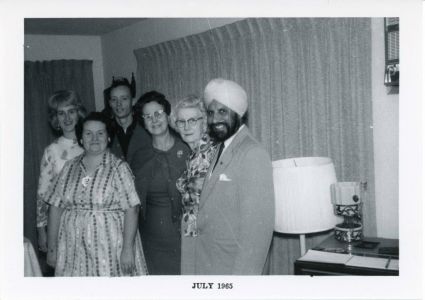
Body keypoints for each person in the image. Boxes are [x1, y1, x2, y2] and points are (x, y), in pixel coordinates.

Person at [187, 78, 275, 275]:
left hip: (234, 272)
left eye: (222, 112)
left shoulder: (252, 153)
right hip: (212, 266)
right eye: (210, 112)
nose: (215, 119)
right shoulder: (221, 147)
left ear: (239, 114)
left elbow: (257, 234)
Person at [45, 112, 148, 276]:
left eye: (100, 133)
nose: (94, 138)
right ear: (81, 138)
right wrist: (52, 247)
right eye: (88, 133)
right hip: (72, 249)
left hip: (110, 248)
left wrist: (128, 249)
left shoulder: (119, 168)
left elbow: (132, 209)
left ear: (108, 137)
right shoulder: (69, 168)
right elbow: (55, 208)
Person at [131, 91, 190, 275]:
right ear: (143, 122)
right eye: (147, 116)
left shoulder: (187, 149)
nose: (154, 120)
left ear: (167, 114)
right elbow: (132, 203)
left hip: (185, 241)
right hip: (151, 243)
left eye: (158, 113)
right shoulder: (139, 157)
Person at [36, 90, 86, 272]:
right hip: (63, 227)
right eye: (61, 113)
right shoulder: (52, 151)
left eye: (71, 111)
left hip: (92, 224)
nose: (67, 118)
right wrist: (42, 232)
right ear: (55, 118)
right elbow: (43, 194)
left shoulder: (93, 143)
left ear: (78, 113)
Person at [171, 95, 219, 274]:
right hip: (196, 238)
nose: (186, 126)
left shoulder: (211, 153)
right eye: (181, 121)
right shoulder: (194, 155)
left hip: (210, 242)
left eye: (192, 120)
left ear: (204, 123)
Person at [106, 77, 151, 165]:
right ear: (110, 103)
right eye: (114, 99)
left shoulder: (147, 128)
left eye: (124, 98)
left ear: (133, 101)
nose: (119, 104)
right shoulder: (105, 131)